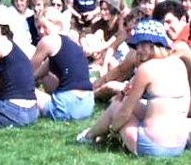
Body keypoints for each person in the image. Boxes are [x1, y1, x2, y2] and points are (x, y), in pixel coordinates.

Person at [77, 19, 190, 157]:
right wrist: (124, 93)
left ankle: (88, 136)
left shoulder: (146, 69)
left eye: (144, 44)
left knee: (117, 107)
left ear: (156, 45)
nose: (139, 49)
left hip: (153, 147)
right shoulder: (178, 63)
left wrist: (113, 129)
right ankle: (95, 132)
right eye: (137, 45)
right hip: (179, 145)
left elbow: (125, 112)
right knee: (126, 103)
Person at [31, 7, 94, 120]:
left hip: (67, 105)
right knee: (44, 76)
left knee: (23, 90)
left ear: (58, 26)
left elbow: (27, 72)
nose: (40, 31)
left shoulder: (47, 41)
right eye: (38, 27)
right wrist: (34, 78)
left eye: (44, 26)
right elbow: (41, 71)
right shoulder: (71, 43)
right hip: (88, 104)